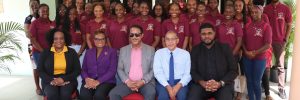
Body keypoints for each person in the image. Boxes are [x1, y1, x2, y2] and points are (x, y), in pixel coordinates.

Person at [188, 23, 238, 100]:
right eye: (203, 34)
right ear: (200, 35)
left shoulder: (225, 48)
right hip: (202, 85)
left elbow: (233, 70)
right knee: (192, 97)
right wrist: (202, 82)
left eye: (209, 33)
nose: (206, 36)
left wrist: (220, 83)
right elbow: (192, 70)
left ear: (214, 33)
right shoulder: (195, 50)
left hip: (222, 85)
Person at [109, 25, 156, 100]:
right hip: (128, 83)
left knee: (151, 93)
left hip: (145, 83)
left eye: (137, 35)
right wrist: (127, 81)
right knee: (113, 94)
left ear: (142, 35)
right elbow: (120, 69)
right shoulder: (123, 50)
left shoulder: (151, 50)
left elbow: (153, 69)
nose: (134, 37)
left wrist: (143, 81)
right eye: (131, 35)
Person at [38, 29, 81, 100]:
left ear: (65, 39)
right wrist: (52, 80)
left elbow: (77, 70)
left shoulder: (72, 52)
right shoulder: (45, 53)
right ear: (52, 40)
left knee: (65, 93)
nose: (59, 41)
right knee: (52, 93)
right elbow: (40, 70)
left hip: (68, 79)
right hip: (49, 80)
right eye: (56, 39)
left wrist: (63, 79)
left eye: (61, 38)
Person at [264, 0, 292, 98]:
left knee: (280, 66)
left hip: (280, 41)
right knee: (266, 66)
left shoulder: (285, 8)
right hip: (267, 41)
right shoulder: (266, 9)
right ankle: (265, 86)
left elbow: (289, 24)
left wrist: (285, 39)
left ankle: (281, 89)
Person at [243, 5, 272, 100]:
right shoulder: (247, 26)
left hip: (260, 59)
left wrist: (255, 52)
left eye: (256, 12)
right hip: (247, 58)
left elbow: (268, 44)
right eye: (252, 12)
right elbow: (243, 41)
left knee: (256, 81)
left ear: (261, 13)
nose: (254, 14)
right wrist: (246, 52)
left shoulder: (266, 26)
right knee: (249, 81)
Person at [80, 30, 117, 100]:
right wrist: (86, 79)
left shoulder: (112, 52)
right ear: (93, 40)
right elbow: (83, 69)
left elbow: (112, 71)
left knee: (99, 96)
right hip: (89, 80)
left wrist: (98, 81)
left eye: (102, 39)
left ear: (105, 40)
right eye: (97, 39)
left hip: (106, 81)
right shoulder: (88, 52)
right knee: (84, 95)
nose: (100, 41)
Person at [154, 31, 191, 100]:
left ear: (177, 40)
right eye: (167, 39)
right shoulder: (158, 53)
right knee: (163, 96)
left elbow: (187, 74)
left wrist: (178, 86)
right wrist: (168, 86)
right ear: (164, 41)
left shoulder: (185, 54)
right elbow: (157, 72)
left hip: (180, 81)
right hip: (163, 81)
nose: (170, 42)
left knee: (182, 96)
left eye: (173, 39)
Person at [29, 3, 55, 96]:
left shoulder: (52, 23)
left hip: (51, 52)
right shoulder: (34, 23)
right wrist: (43, 51)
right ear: (39, 12)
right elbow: (33, 40)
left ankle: (49, 90)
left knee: (49, 71)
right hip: (38, 52)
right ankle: (43, 90)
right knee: (41, 71)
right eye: (42, 10)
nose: (45, 12)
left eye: (46, 10)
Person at [24, 0, 41, 95]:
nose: (34, 6)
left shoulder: (42, 15)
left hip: (43, 44)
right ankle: (37, 86)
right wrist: (34, 37)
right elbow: (27, 33)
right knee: (35, 67)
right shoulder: (28, 18)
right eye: (32, 5)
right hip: (32, 46)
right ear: (30, 6)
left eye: (36, 4)